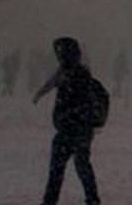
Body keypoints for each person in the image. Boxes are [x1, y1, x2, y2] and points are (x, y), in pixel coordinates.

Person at [31, 36, 106, 205]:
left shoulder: (77, 75)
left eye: (61, 53)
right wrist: (40, 94)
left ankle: (87, 199)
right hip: (73, 130)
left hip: (74, 130)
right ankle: (88, 199)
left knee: (71, 167)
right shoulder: (68, 72)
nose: (59, 57)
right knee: (75, 167)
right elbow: (52, 83)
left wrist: (69, 118)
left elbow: (80, 102)